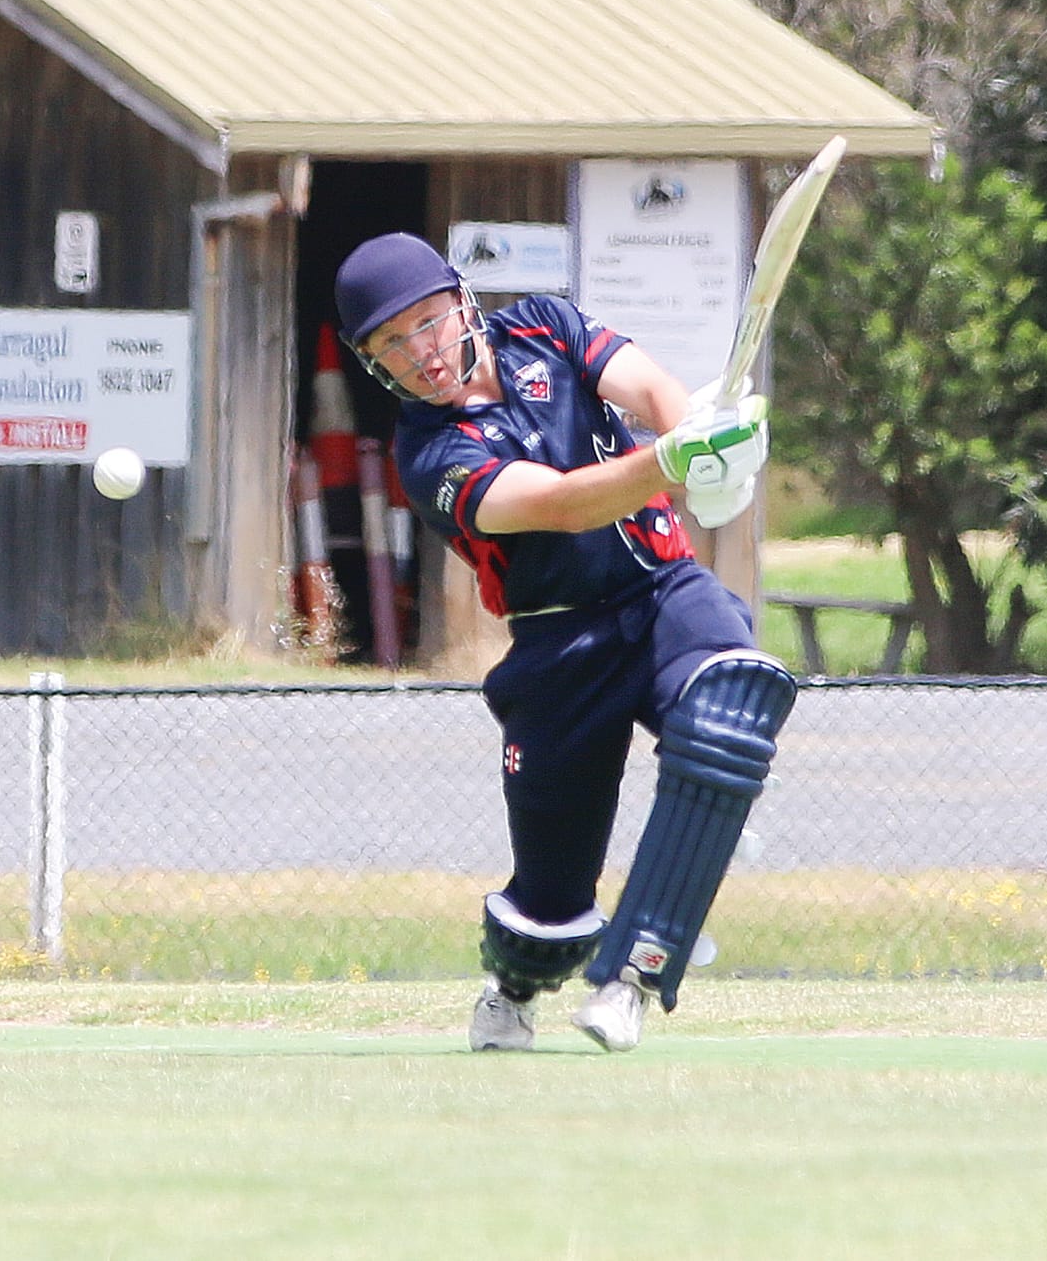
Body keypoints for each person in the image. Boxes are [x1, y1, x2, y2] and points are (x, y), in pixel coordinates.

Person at [332, 232, 798, 1053]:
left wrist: (701, 429)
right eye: (393, 345)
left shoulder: (542, 325)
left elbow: (646, 382)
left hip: (663, 590)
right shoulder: (428, 452)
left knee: (733, 706)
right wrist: (673, 459)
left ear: (461, 303)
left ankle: (635, 977)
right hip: (560, 647)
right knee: (549, 903)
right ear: (375, 363)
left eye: (428, 324)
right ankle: (513, 989)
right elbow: (561, 504)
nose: (422, 354)